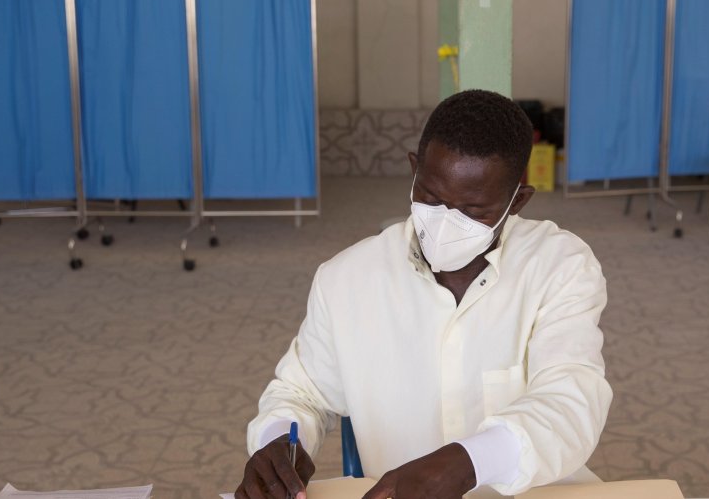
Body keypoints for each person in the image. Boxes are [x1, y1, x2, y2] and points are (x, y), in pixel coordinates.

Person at [234, 90, 612, 499]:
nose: (447, 221)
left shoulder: (560, 266)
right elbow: (300, 392)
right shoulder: (347, 279)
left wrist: (470, 462)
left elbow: (571, 402)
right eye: (432, 198)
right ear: (415, 171)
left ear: (516, 201)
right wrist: (280, 441)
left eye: (474, 211)